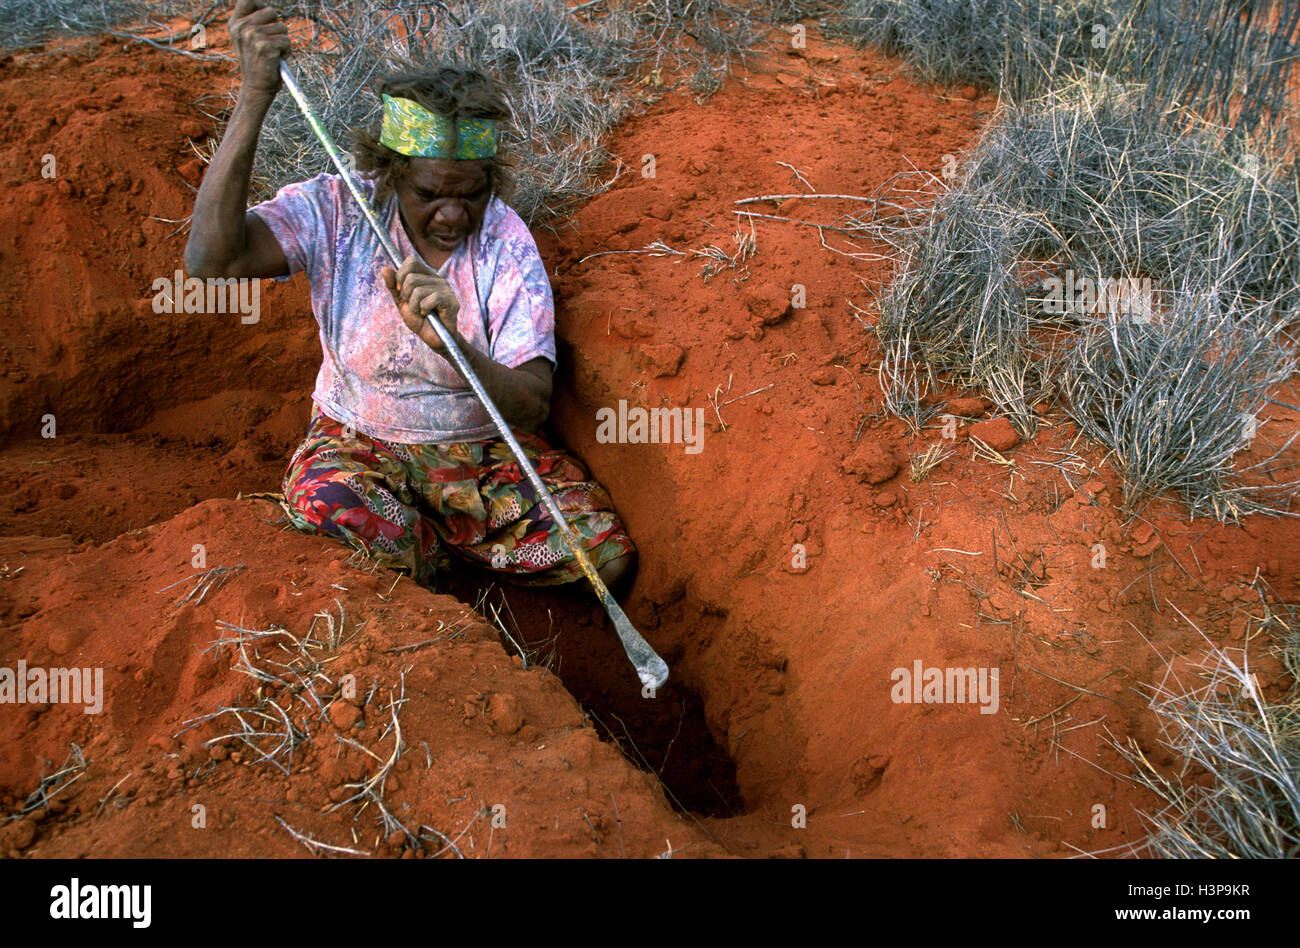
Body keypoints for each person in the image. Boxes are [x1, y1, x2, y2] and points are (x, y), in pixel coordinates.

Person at [184, 0, 636, 596]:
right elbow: (211, 260)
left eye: (471, 194)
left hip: (478, 453)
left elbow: (530, 405)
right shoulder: (342, 208)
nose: (452, 214)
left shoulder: (506, 243)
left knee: (605, 557)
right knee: (338, 508)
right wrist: (254, 96)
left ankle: (427, 552)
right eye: (429, 193)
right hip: (358, 445)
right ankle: (439, 565)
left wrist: (452, 349)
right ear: (390, 172)